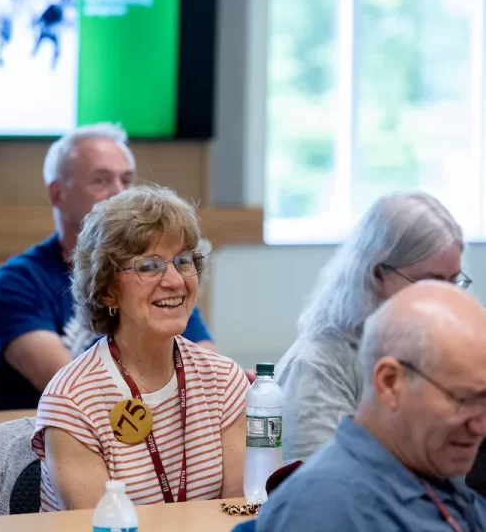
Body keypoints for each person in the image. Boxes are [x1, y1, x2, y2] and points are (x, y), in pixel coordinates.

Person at [32, 185, 248, 511]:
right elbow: (101, 526)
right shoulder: (72, 400)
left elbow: (237, 513)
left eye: (184, 261)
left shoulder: (224, 381)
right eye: (149, 266)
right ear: (107, 292)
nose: (175, 280)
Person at [0, 124, 217, 410]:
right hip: (52, 442)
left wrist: (226, 386)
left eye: (126, 180)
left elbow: (205, 372)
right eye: (101, 180)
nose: (119, 193)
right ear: (58, 194)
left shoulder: (162, 280)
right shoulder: (18, 281)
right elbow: (78, 392)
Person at [256, 281, 486, 531]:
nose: (481, 426)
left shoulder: (430, 476)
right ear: (390, 383)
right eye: (464, 399)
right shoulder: (325, 511)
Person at [277, 190, 468, 464]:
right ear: (377, 274)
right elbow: (319, 485)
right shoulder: (319, 364)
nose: (445, 298)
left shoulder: (441, 352)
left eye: (454, 281)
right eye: (431, 282)